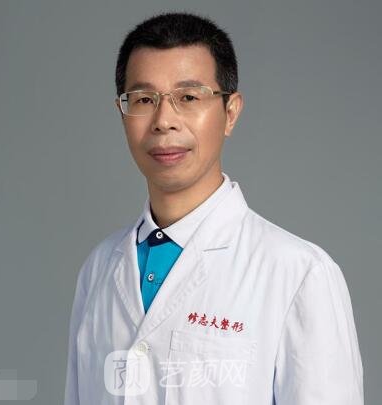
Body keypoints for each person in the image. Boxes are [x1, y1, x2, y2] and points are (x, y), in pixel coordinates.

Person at [64, 12, 364, 405]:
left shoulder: (298, 273)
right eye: (144, 100)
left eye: (188, 97)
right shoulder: (99, 269)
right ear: (123, 113)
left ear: (230, 113)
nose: (164, 121)